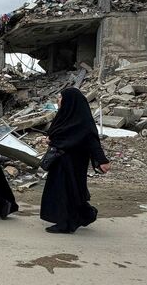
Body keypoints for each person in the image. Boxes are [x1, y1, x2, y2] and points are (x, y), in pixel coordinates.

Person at [40, 87, 110, 234]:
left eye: (60, 98)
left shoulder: (83, 121)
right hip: (59, 161)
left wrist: (102, 160)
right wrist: (50, 139)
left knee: (67, 191)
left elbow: (92, 141)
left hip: (74, 163)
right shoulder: (64, 116)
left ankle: (66, 224)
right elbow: (56, 134)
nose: (58, 101)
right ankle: (85, 215)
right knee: (67, 191)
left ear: (70, 101)